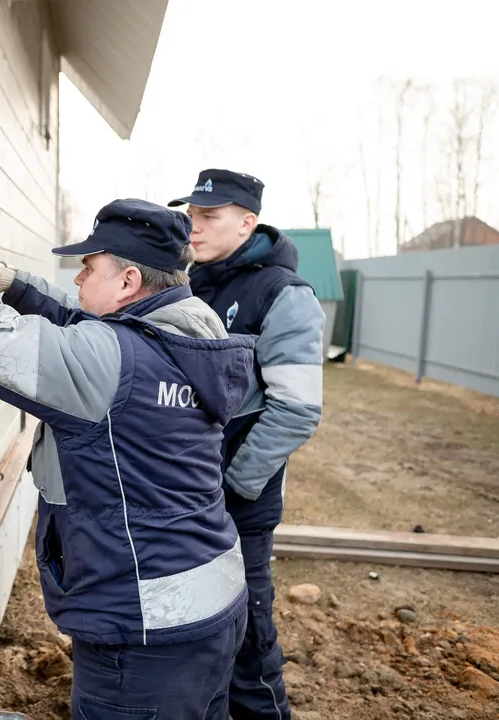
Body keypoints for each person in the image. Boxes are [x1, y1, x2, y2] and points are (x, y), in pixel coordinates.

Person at [0, 189, 255, 720]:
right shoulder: (193, 335)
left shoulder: (114, 361)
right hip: (212, 603)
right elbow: (83, 327)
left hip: (142, 630)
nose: (77, 281)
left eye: (89, 268)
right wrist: (11, 282)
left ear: (129, 281)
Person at [167, 170, 326, 720]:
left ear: (247, 221)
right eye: (191, 215)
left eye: (209, 217)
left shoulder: (283, 294)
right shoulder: (196, 283)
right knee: (201, 626)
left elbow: (297, 410)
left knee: (249, 636)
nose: (195, 226)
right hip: (189, 495)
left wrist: (234, 485)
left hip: (237, 501)